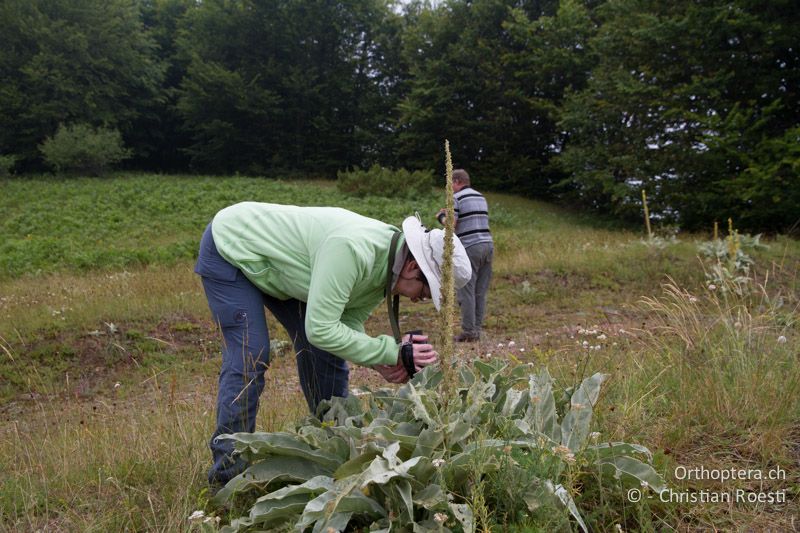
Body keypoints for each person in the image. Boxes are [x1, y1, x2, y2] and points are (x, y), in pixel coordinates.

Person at [194, 202, 471, 486]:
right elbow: (321, 328)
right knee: (251, 353)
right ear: (413, 267)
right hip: (232, 246)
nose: (420, 300)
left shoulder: (387, 267)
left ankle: (333, 450)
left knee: (325, 351)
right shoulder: (352, 250)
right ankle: (227, 475)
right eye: (427, 291)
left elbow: (345, 323)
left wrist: (381, 362)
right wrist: (391, 350)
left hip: (280, 267)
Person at [437, 168, 493, 342]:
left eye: (450, 183)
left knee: (466, 290)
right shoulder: (480, 196)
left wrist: (441, 216)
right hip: (488, 245)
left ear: (457, 182)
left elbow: (451, 226)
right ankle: (476, 329)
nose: (449, 187)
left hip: (470, 247)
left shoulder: (457, 198)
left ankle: (468, 332)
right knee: (480, 291)